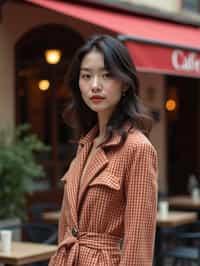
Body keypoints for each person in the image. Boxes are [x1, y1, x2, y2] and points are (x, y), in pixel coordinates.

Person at [49, 35, 158, 266]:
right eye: (86, 76)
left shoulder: (137, 148)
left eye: (107, 75)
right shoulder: (85, 144)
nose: (95, 85)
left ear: (126, 83)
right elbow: (65, 227)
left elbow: (139, 242)